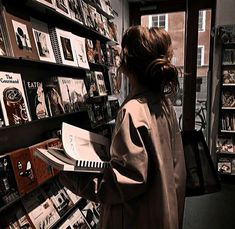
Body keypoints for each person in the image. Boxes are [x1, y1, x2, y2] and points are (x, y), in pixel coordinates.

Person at [59, 25, 186, 229]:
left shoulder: (132, 112)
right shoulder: (164, 105)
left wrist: (71, 177)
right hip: (162, 213)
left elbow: (121, 183)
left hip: (134, 219)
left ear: (125, 65)